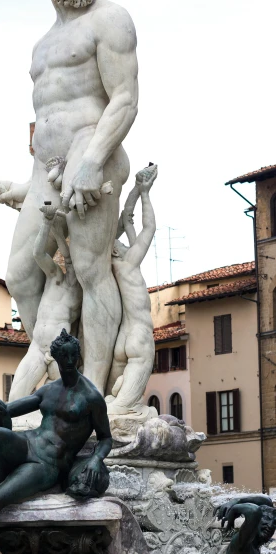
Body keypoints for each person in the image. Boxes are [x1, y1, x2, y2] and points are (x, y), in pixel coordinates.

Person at [0, 0, 139, 394]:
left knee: (91, 270)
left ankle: (90, 389)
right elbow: (48, 119)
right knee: (21, 275)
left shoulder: (110, 19)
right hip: (45, 172)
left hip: (94, 154)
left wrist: (92, 157)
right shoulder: (42, 45)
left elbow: (126, 98)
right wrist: (30, 186)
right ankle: (56, 368)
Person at [0, 329, 112, 554]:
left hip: (47, 463)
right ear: (57, 358)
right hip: (28, 442)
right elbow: (8, 410)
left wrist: (96, 459)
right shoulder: (49, 390)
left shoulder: (91, 397)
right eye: (64, 356)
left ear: (78, 357)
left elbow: (105, 437)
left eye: (73, 356)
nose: (69, 361)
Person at [8, 204, 82, 400]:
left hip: (61, 357)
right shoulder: (55, 276)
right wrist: (46, 223)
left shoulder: (83, 293)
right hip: (38, 348)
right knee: (16, 396)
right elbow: (38, 254)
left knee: (58, 404)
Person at [105, 164, 157, 414]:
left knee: (109, 401)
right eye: (122, 243)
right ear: (116, 250)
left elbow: (127, 217)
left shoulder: (118, 265)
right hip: (139, 334)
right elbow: (150, 229)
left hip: (122, 340)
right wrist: (145, 194)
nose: (129, 244)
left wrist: (137, 188)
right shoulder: (128, 262)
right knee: (123, 409)